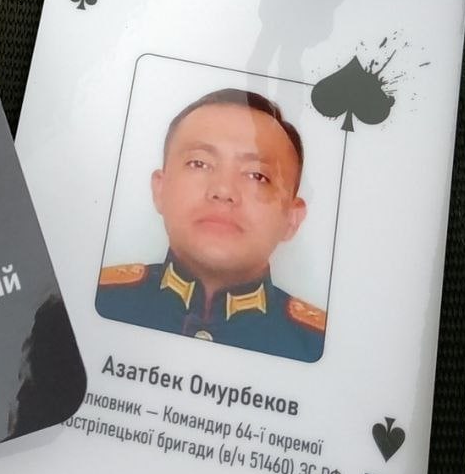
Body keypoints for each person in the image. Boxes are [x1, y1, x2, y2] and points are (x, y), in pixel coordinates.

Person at [96, 88, 326, 362]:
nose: (223, 190)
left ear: (292, 218)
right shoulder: (99, 299)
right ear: (160, 189)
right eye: (200, 163)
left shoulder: (317, 345)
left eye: (257, 175)